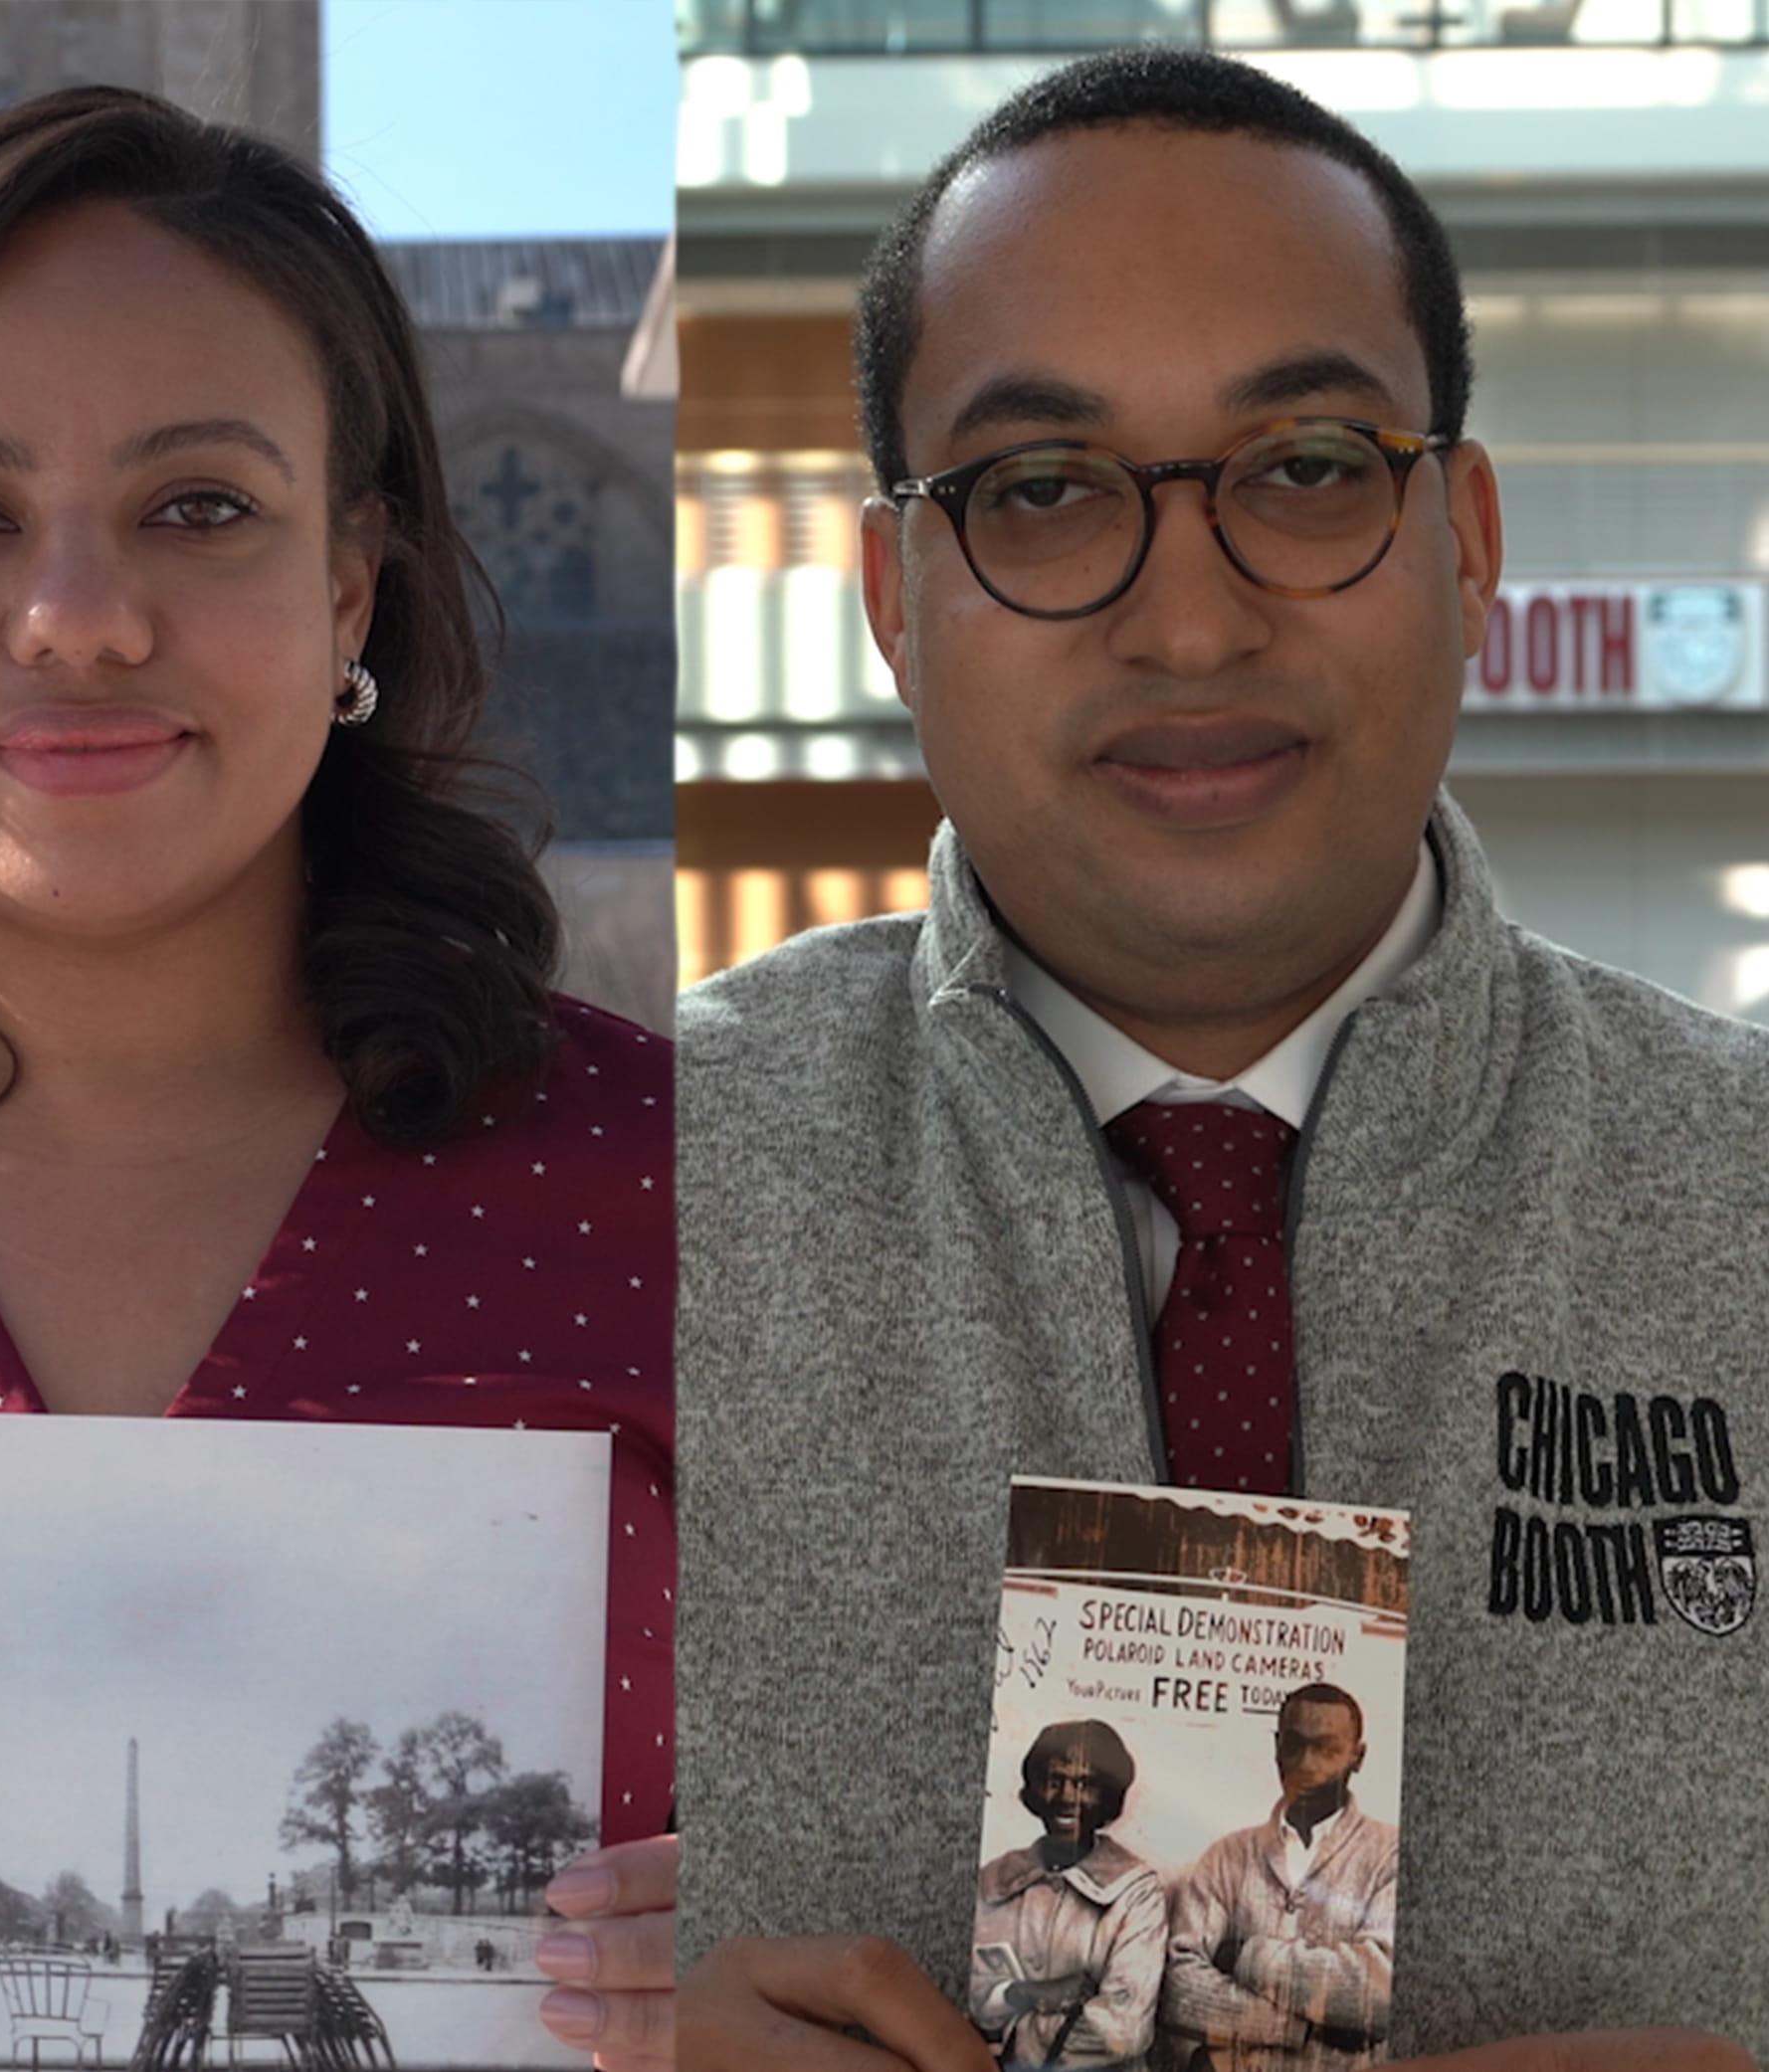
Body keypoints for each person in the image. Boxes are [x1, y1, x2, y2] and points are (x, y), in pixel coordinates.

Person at [676, 48, 1766, 2072]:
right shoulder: (616, 1193)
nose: (1187, 620)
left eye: (1305, 467)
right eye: (1041, 490)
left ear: (1466, 539)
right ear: (893, 600)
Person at [0, 84, 679, 2065]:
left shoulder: (709, 1210)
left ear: (353, 586)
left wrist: (855, 1962)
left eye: (197, 506)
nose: (76, 617)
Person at [1156, 1687, 1393, 2072]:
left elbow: (1377, 1997)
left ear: (1358, 1757)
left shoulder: (1391, 1854)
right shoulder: (1226, 1856)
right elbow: (1178, 1988)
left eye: (1328, 1749)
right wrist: (1293, 2028)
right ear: (1277, 1747)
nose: (1307, 1765)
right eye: (1294, 1746)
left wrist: (1246, 1955)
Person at [970, 1721, 1161, 2071]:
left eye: (1085, 1784)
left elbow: (1123, 2028)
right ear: (1034, 1790)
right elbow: (966, 1987)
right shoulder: (994, 1878)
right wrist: (1028, 1993)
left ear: (1108, 1796)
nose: (1066, 1797)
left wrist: (1013, 2042)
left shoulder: (1138, 1891)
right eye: (1053, 1781)